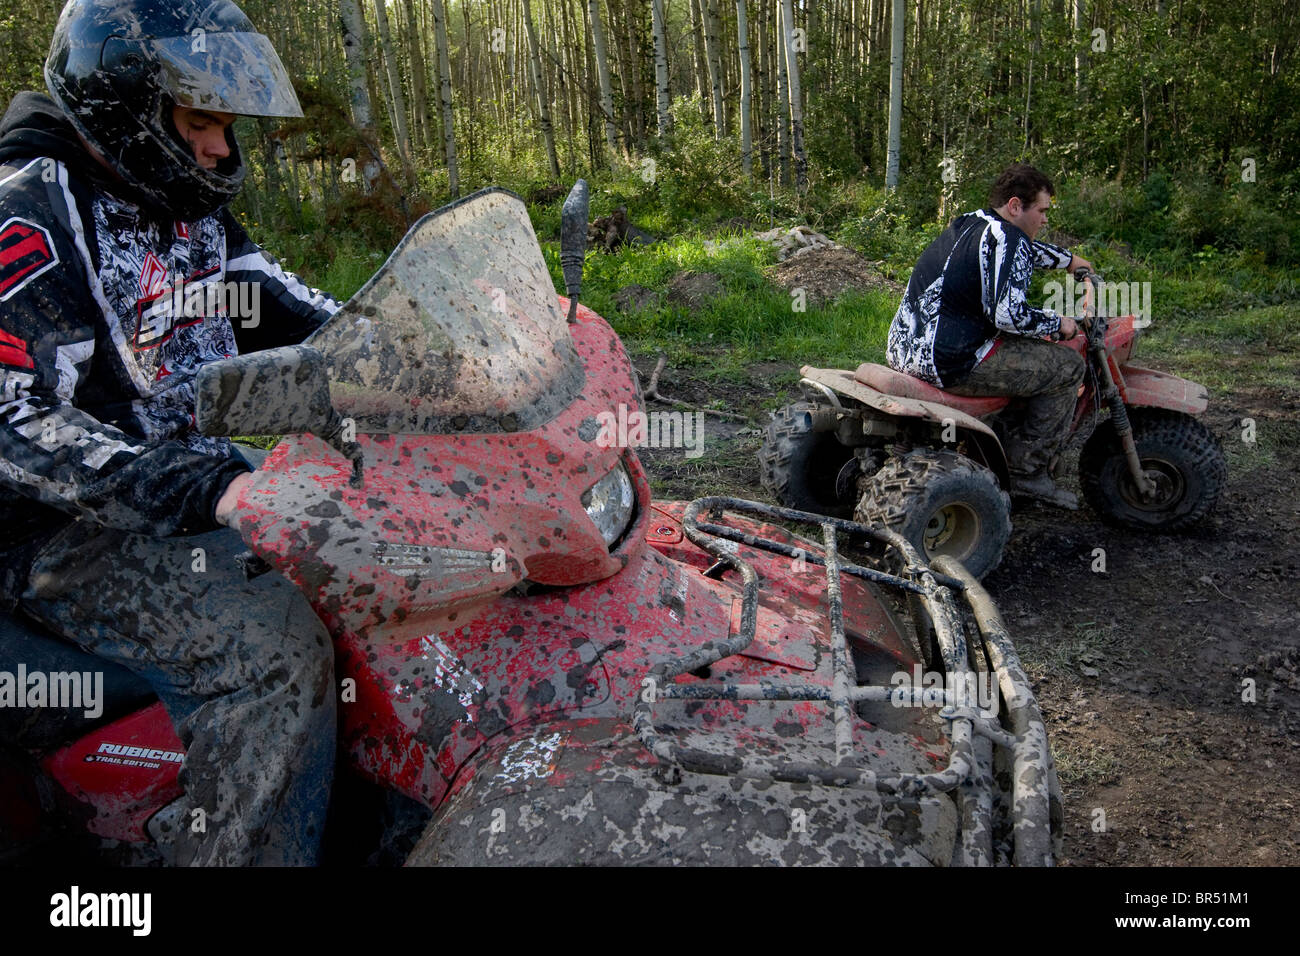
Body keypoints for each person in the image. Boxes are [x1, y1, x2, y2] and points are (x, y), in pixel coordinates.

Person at [0, 0, 341, 864]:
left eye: (226, 123)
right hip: (57, 534)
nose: (222, 147)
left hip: (199, 491)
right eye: (202, 121)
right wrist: (200, 486)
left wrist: (447, 354)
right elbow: (17, 421)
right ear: (127, 106)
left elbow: (306, 317)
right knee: (276, 655)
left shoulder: (181, 209)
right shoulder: (26, 219)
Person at [886, 163, 1093, 506]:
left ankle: (997, 440)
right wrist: (1059, 324)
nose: (1045, 220)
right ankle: (1027, 471)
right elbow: (1008, 314)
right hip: (949, 361)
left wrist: (1069, 260)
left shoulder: (971, 222)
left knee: (1028, 354)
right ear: (1016, 206)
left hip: (903, 349)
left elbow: (1022, 251)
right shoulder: (1010, 240)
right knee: (1067, 367)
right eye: (1042, 211)